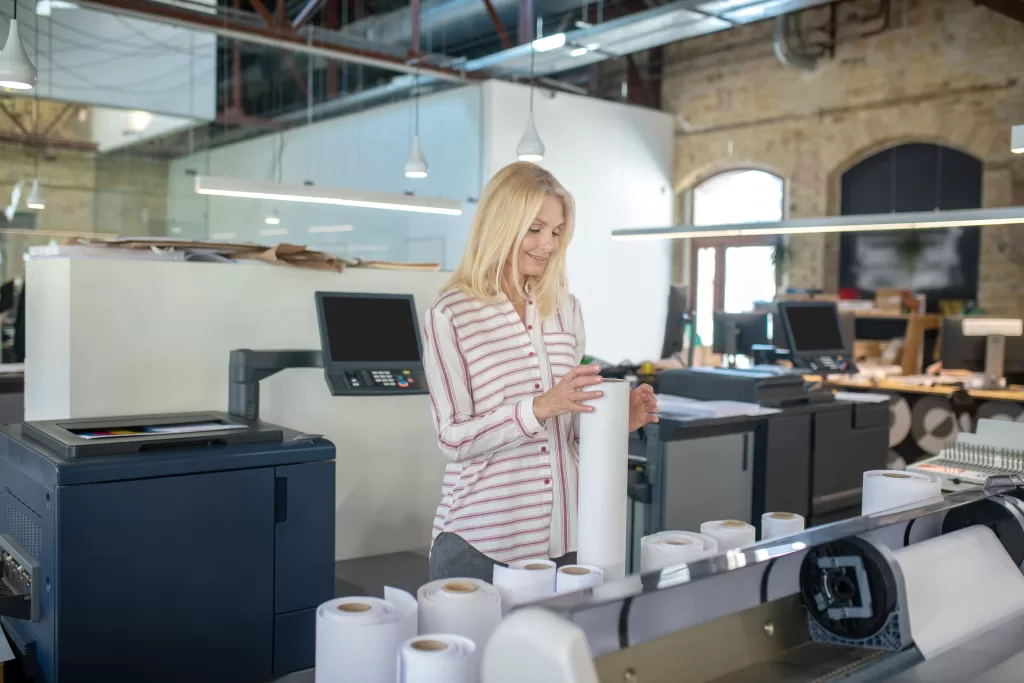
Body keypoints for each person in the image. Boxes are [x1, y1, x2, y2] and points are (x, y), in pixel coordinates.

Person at [422, 161, 659, 582]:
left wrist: (615, 424)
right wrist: (539, 406)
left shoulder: (567, 310)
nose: (547, 244)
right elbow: (451, 437)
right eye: (534, 229)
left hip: (567, 544)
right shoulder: (452, 314)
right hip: (482, 544)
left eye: (555, 231)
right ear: (501, 225)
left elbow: (564, 434)